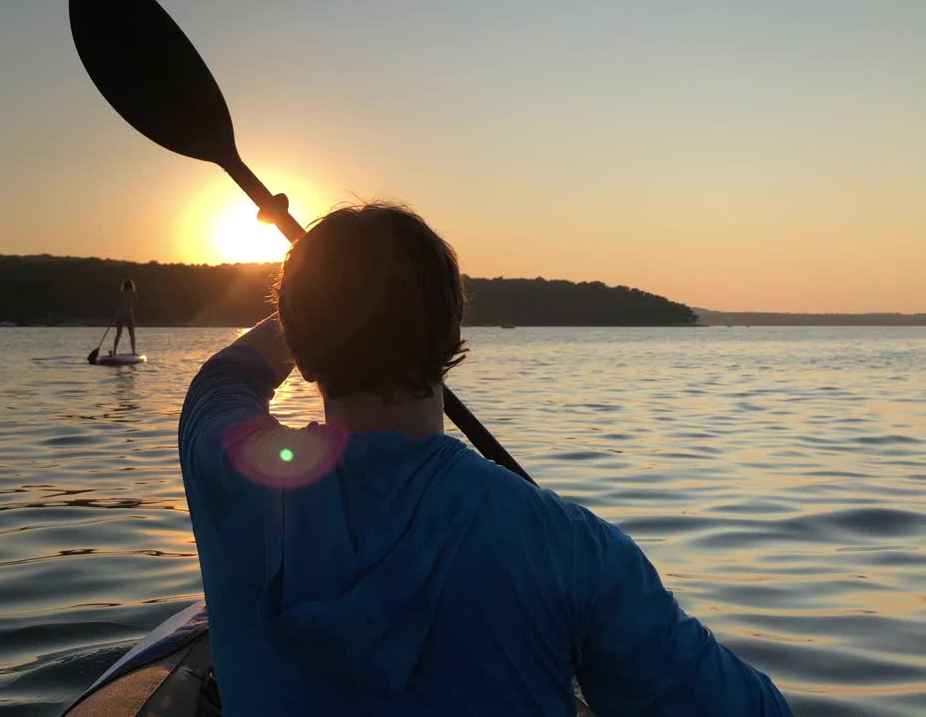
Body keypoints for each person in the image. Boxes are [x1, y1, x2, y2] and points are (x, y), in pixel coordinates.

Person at [178, 203, 792, 716]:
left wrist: (318, 286)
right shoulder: (574, 549)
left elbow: (226, 377)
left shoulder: (229, 467)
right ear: (452, 337)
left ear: (302, 348)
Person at [111, 278, 138, 355]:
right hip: (128, 313)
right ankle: (133, 352)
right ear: (132, 286)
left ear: (124, 286)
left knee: (118, 333)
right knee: (131, 333)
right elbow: (135, 301)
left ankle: (115, 350)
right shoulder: (133, 293)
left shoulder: (120, 293)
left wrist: (116, 314)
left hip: (119, 314)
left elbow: (116, 303)